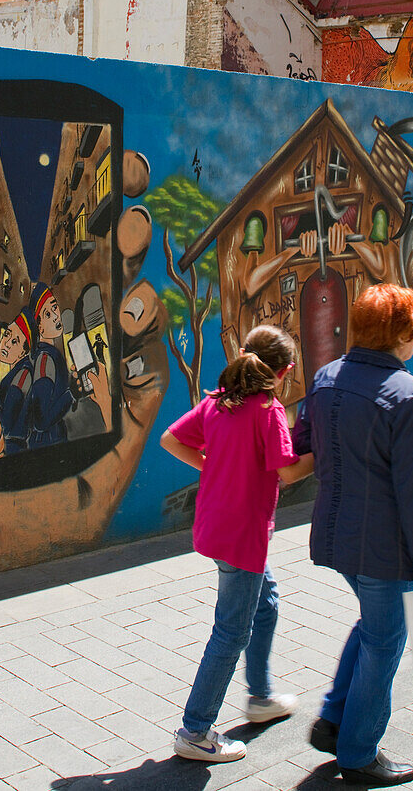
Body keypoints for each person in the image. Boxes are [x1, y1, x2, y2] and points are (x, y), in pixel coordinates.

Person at [294, 284, 413, 788]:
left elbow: (300, 444)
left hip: (336, 538)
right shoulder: (407, 395)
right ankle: (358, 754)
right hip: (383, 549)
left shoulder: (324, 378)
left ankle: (334, 721)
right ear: (401, 335)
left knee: (373, 628)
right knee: (385, 642)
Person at [161, 324, 314, 763]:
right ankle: (195, 731)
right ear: (284, 371)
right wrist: (327, 453)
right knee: (231, 633)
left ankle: (261, 696)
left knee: (266, 604)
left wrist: (209, 463)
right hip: (243, 536)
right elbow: (287, 472)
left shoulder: (217, 402)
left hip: (216, 528)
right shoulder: (267, 410)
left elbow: (171, 439)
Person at [28, 282, 74, 448]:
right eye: (47, 314)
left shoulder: (50, 355)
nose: (55, 316)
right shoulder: (45, 360)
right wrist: (71, 394)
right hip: (48, 443)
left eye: (54, 308)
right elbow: (40, 421)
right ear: (39, 327)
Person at [0, 308, 35, 455]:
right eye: (6, 335)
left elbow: (6, 421)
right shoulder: (17, 373)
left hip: (11, 449)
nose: (6, 343)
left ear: (24, 352)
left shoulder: (23, 375)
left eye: (15, 342)